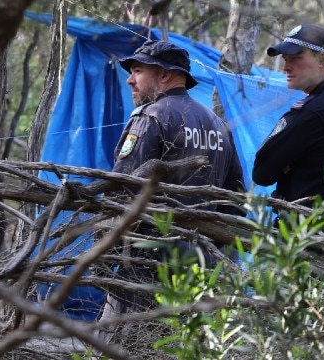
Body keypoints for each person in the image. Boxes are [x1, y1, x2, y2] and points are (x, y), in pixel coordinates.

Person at [82, 39, 245, 339]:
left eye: (138, 70)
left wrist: (103, 258)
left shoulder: (151, 117)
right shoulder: (218, 126)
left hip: (147, 264)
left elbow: (121, 191)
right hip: (200, 268)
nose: (130, 79)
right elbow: (235, 201)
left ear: (166, 75)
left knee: (116, 345)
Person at [252, 24, 324, 218]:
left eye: (296, 59)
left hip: (305, 235)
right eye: (286, 59)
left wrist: (286, 162)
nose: (286, 67)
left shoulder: (313, 112)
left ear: (322, 59)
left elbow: (261, 172)